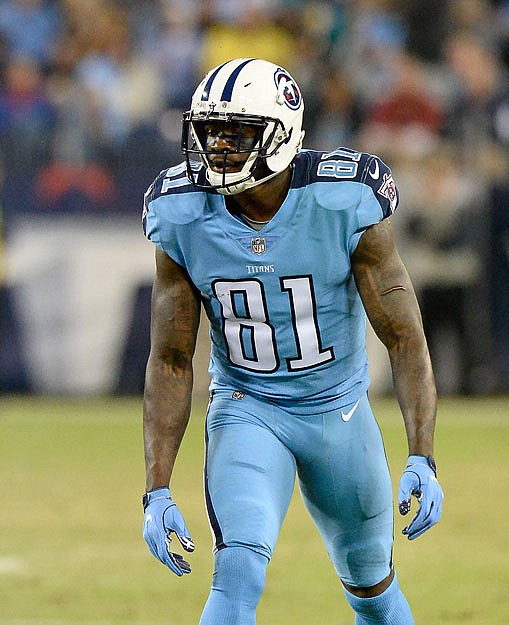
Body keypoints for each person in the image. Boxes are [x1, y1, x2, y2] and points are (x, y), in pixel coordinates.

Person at [141, 57, 443, 625]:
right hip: (246, 407)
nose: (219, 149)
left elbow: (404, 338)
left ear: (282, 135)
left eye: (238, 134)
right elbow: (172, 358)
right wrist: (156, 488)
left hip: (339, 410)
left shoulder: (341, 199)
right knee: (236, 576)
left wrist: (423, 454)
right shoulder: (181, 213)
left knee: (373, 589)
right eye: (210, 133)